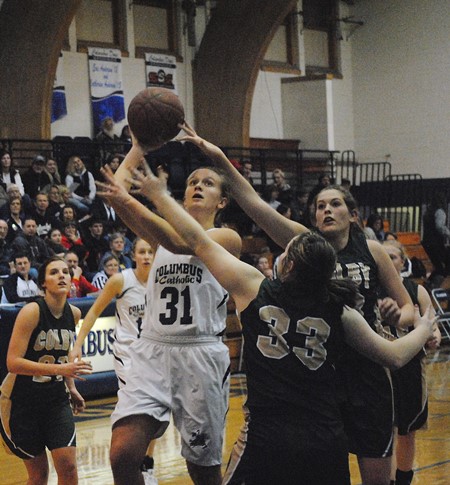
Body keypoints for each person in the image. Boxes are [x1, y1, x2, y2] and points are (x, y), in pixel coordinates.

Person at [127, 164, 434, 485]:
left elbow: (196, 241)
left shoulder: (258, 290)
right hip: (321, 436)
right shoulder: (340, 312)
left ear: (286, 265)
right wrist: (425, 327)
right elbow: (395, 356)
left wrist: (160, 196)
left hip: (266, 432)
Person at [96, 137, 241, 485]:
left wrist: (139, 199)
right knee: (123, 454)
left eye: (207, 183)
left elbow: (184, 242)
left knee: (203, 471)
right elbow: (116, 193)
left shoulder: (226, 238)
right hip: (152, 349)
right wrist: (137, 145)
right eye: (192, 182)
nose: (197, 186)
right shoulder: (160, 235)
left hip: (199, 355)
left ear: (221, 201)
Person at [70, 238, 158, 484]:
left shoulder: (162, 280)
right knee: (137, 407)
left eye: (151, 251)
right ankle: (122, 457)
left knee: (157, 410)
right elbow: (94, 312)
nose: (147, 256)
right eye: (142, 251)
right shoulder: (121, 280)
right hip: (128, 355)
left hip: (156, 354)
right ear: (133, 255)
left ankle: (146, 462)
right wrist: (77, 345)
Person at [0, 256, 92, 485]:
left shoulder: (75, 314)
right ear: (43, 283)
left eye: (65, 272)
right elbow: (13, 362)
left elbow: (64, 355)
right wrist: (62, 368)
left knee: (69, 468)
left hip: (55, 400)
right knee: (39, 475)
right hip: (23, 403)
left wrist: (71, 387)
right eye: (54, 273)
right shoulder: (32, 312)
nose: (62, 275)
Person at [383, 241, 441, 485]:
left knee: (406, 431)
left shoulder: (416, 291)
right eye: (383, 257)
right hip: (377, 369)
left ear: (403, 261)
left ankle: (403, 481)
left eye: (393, 256)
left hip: (409, 369)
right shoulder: (368, 290)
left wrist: (434, 336)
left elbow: (433, 327)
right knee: (381, 431)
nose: (388, 261)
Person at [421, 191, 450, 289]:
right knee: (443, 268)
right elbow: (440, 227)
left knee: (438, 266)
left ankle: (428, 284)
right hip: (436, 243)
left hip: (427, 243)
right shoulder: (440, 211)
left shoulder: (428, 211)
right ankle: (433, 288)